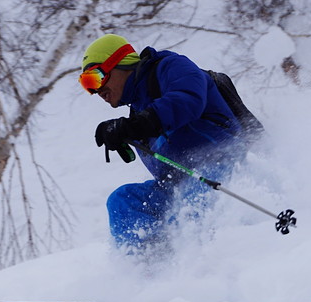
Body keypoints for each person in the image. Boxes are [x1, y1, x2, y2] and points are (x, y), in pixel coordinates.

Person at [78, 34, 245, 254]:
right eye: (87, 84)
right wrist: (130, 130)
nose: (96, 91)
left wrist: (134, 126)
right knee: (123, 200)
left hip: (226, 167)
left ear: (119, 64)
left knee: (189, 205)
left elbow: (187, 99)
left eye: (96, 78)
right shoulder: (137, 111)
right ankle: (146, 270)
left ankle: (196, 271)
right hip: (181, 187)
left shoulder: (170, 67)